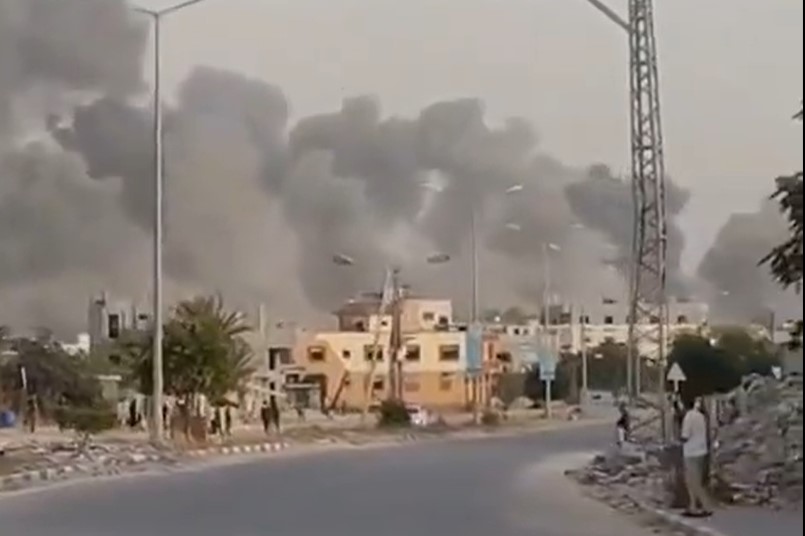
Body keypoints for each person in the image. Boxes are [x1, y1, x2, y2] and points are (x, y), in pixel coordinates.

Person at [680, 397, 714, 517]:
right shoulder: (700, 416)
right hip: (701, 450)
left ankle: (706, 506)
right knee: (694, 481)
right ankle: (693, 506)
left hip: (691, 452)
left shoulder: (688, 417)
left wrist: (679, 441)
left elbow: (685, 436)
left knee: (693, 482)